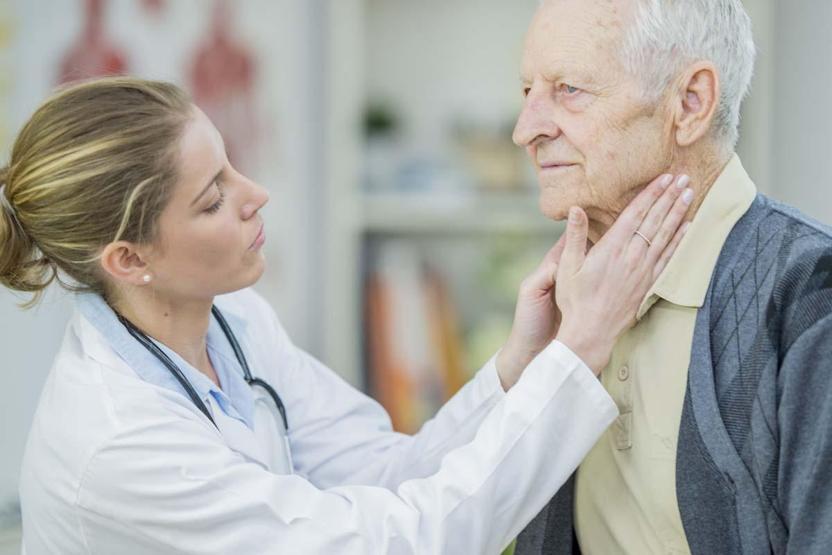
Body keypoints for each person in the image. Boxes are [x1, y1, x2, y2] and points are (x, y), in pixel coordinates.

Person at [0, 77, 691, 554]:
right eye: (212, 200)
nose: (257, 195)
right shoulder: (116, 443)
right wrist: (583, 347)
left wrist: (521, 364)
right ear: (127, 258)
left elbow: (389, 474)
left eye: (232, 167)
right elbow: (396, 543)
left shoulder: (233, 321)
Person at [512, 1, 832, 554]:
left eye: (569, 90)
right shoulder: (561, 302)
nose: (525, 130)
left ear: (689, 104)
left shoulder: (810, 296)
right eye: (527, 92)